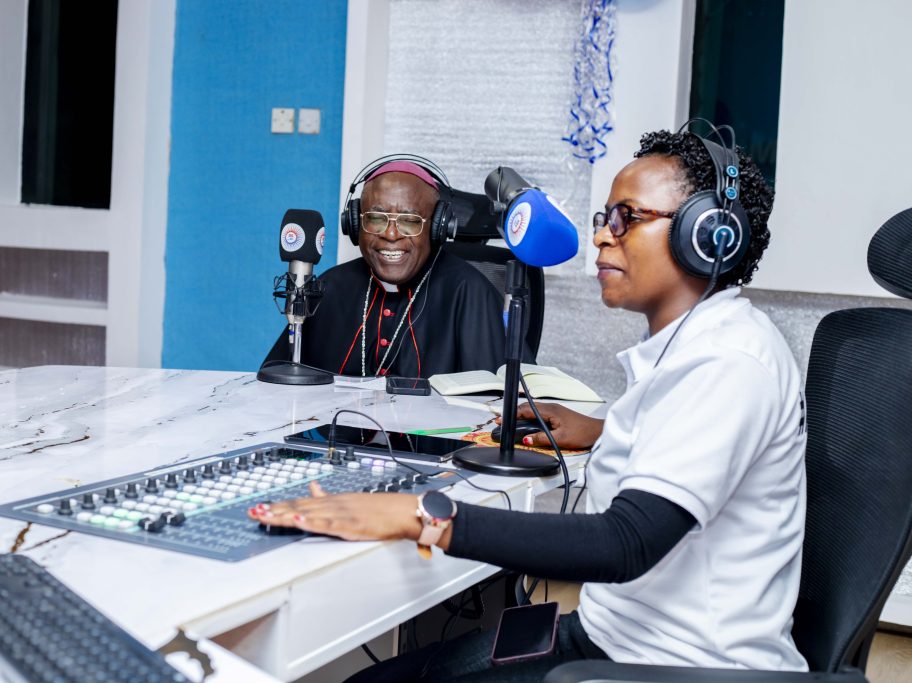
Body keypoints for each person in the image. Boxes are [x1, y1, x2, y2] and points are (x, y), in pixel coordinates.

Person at [250, 128, 807, 680]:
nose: (602, 237)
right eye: (605, 218)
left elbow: (625, 542)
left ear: (704, 234)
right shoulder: (695, 348)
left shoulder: (728, 361)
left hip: (677, 667)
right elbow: (686, 439)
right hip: (614, 634)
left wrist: (420, 516)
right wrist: (605, 429)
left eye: (627, 218)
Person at [263, 159, 507, 378]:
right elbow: (278, 385)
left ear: (438, 228)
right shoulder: (332, 286)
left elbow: (494, 402)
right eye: (376, 219)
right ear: (355, 223)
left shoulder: (470, 292)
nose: (390, 235)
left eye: (409, 221)